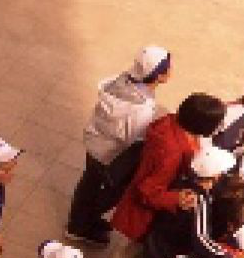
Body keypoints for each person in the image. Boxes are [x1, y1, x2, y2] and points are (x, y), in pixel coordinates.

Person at [101, 93, 227, 258]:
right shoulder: (171, 151)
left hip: (141, 212)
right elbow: (148, 191)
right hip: (140, 216)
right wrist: (177, 199)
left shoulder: (170, 126)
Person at [67, 45, 171, 246]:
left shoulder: (120, 82)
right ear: (160, 76)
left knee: (89, 183)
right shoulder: (140, 108)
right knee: (112, 192)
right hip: (112, 154)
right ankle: (81, 225)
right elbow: (133, 139)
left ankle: (80, 221)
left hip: (95, 142)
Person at [141, 144, 236, 258]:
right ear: (216, 176)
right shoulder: (199, 199)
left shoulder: (183, 182)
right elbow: (201, 238)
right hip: (169, 252)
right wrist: (227, 256)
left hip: (156, 241)